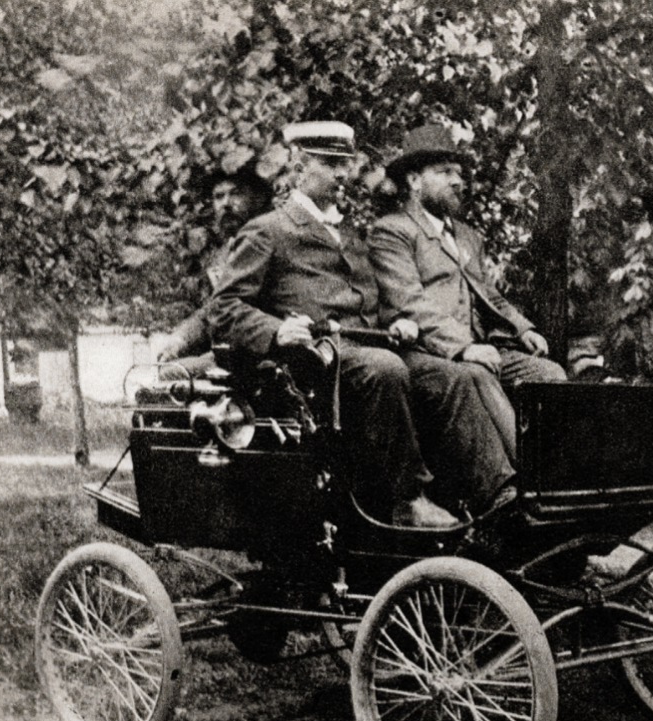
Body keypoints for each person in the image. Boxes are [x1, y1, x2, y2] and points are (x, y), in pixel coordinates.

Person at [209, 121, 515, 527]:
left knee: (453, 374)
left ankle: (497, 497)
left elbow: (373, 302)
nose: (342, 174)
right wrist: (275, 330)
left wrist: (400, 320)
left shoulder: (351, 235)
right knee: (384, 369)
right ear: (300, 166)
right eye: (330, 163)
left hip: (369, 347)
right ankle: (408, 499)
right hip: (314, 361)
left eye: (345, 164)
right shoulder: (268, 230)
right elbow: (224, 307)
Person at [368, 124, 567, 461]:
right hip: (425, 350)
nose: (458, 181)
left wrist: (523, 327)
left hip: (480, 349)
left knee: (549, 375)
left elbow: (489, 293)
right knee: (474, 374)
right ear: (414, 181)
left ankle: (564, 471)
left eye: (459, 173)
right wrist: (464, 348)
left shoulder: (467, 236)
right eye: (445, 172)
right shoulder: (392, 231)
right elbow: (408, 302)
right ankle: (528, 477)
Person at [155, 162, 274, 371]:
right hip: (229, 353)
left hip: (262, 353)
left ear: (257, 199)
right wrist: (179, 339)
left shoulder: (268, 243)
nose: (226, 204)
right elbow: (213, 309)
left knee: (171, 377)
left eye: (236, 194)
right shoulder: (223, 254)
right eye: (219, 196)